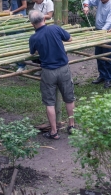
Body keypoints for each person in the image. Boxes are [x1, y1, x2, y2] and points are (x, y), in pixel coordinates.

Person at [28, 10, 75, 139]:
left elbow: (32, 53)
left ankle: (54, 131)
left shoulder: (34, 38)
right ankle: (72, 125)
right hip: (64, 68)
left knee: (50, 102)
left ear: (32, 24)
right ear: (44, 19)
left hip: (48, 72)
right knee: (69, 98)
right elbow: (70, 38)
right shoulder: (55, 28)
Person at [82, 0, 111, 88]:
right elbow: (87, 0)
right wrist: (86, 7)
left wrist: (101, 34)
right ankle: (102, 75)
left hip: (107, 32)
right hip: (98, 30)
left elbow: (109, 23)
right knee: (99, 55)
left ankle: (108, 79)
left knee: (107, 56)